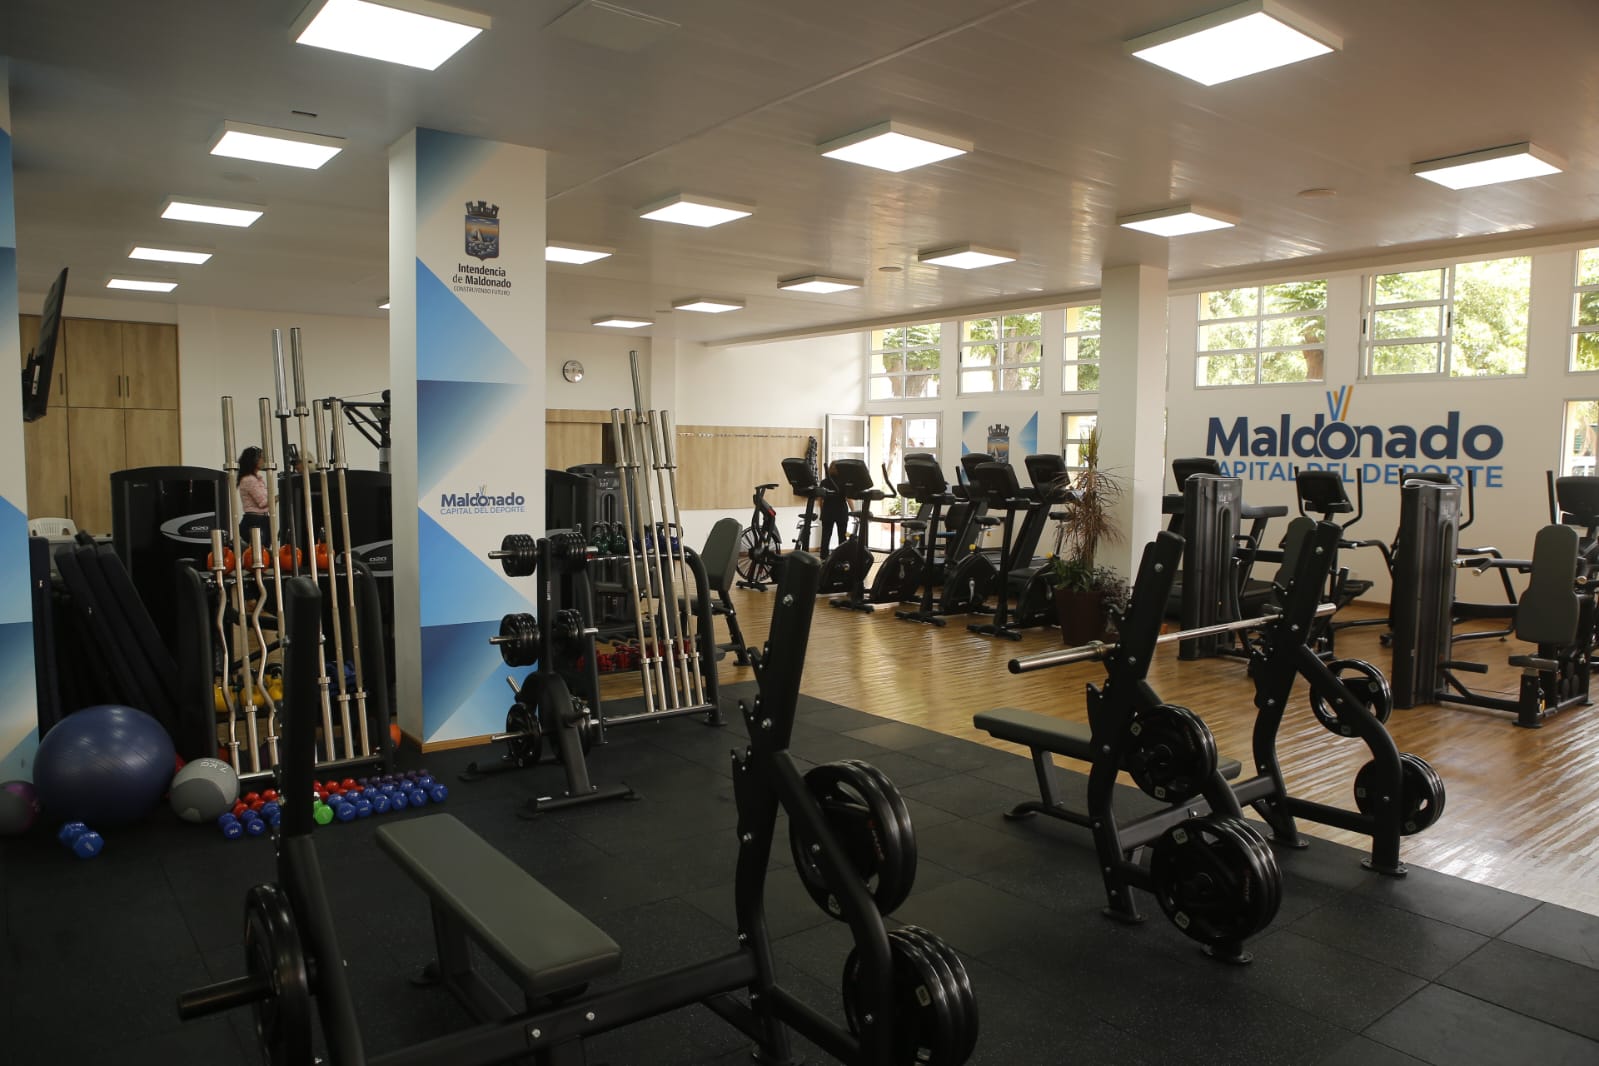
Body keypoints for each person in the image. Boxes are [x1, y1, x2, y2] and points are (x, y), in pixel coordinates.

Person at [237, 446, 271, 551]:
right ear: (254, 460)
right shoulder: (249, 480)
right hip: (255, 521)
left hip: (261, 520)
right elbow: (262, 502)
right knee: (258, 553)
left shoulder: (257, 479)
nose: (263, 460)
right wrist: (280, 496)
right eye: (261, 457)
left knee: (262, 551)